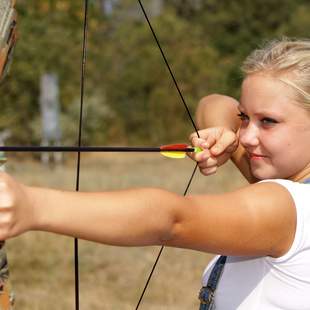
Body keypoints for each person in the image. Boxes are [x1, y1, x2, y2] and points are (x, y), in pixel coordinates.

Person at [1, 37, 310, 309]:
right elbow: (215, 103)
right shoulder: (286, 181)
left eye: (268, 121)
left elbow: (172, 220)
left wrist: (33, 206)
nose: (245, 137)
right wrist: (219, 130)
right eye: (244, 118)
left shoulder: (286, 207)